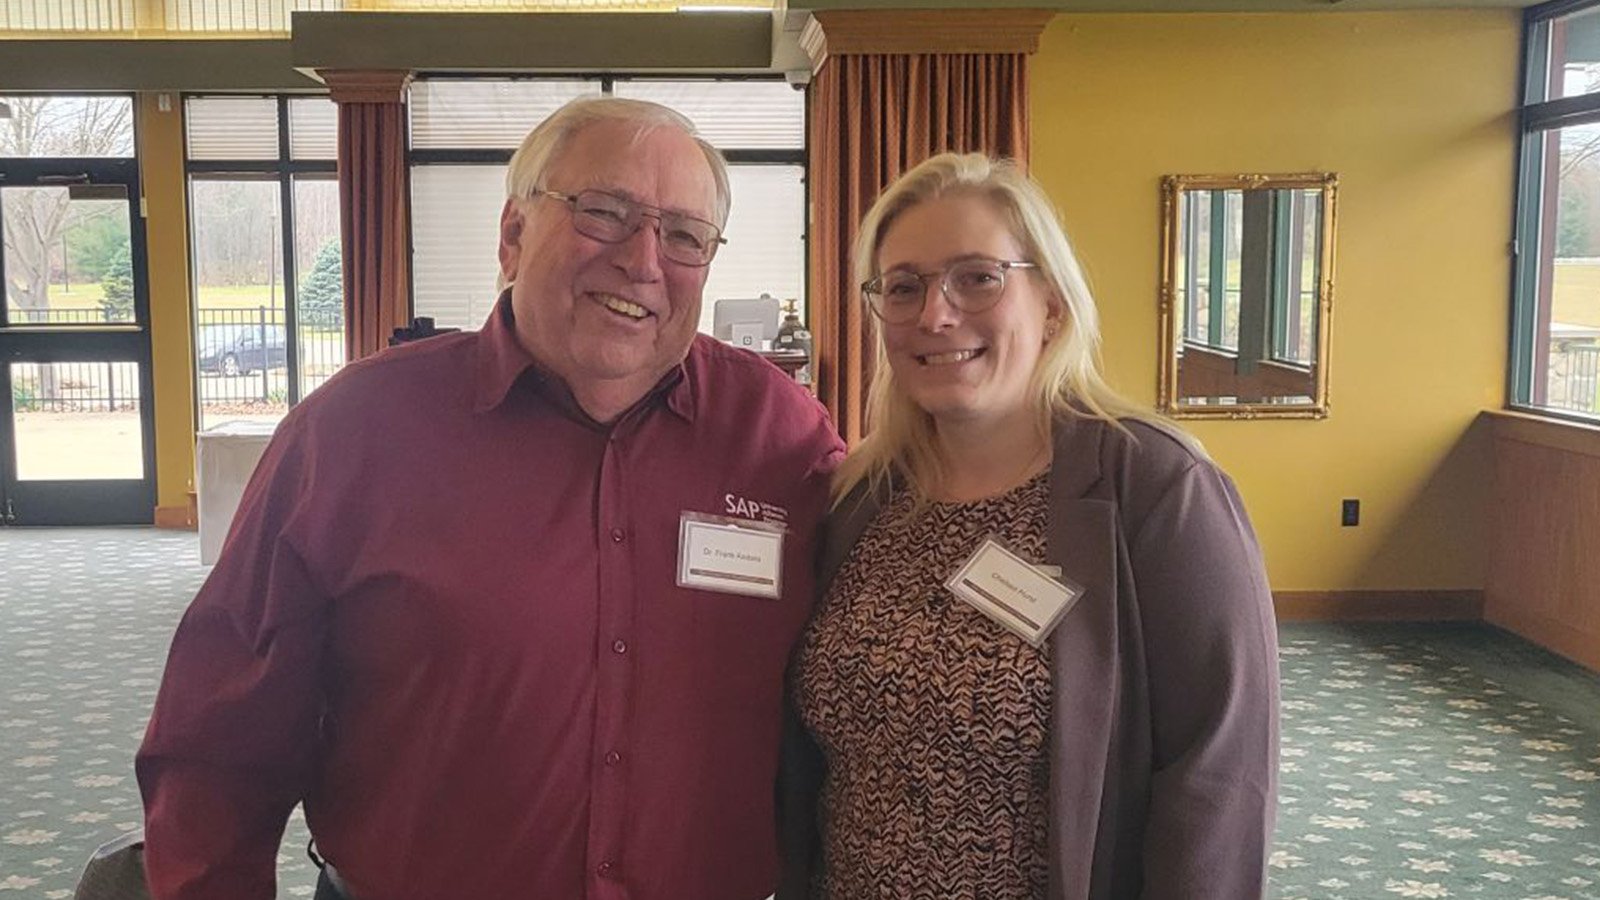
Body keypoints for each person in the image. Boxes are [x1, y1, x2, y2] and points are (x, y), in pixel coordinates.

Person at [137, 96, 843, 900]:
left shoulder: (780, 438)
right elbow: (219, 741)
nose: (644, 261)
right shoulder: (354, 432)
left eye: (684, 235)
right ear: (512, 235)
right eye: (605, 213)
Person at [778, 153, 1278, 900]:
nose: (935, 315)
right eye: (904, 287)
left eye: (977, 277)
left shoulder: (1155, 490)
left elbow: (1220, 778)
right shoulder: (863, 497)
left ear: (1050, 302)